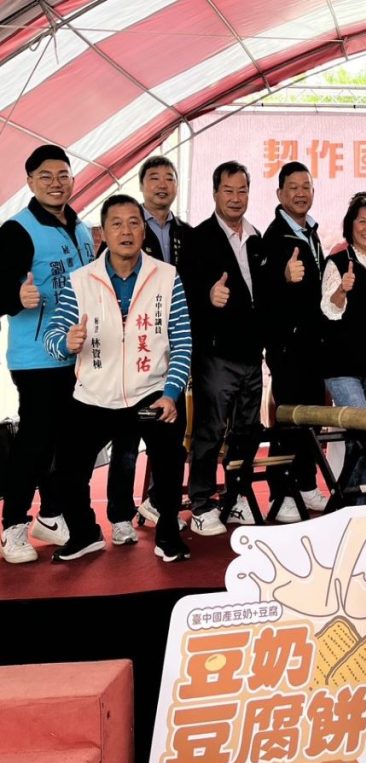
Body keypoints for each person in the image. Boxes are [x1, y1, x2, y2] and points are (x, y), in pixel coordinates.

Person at [44, 194, 192, 562]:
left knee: (170, 457)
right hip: (95, 397)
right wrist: (66, 343)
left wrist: (171, 393)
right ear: (104, 233)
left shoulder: (167, 276)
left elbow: (182, 341)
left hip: (148, 396)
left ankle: (168, 534)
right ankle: (85, 533)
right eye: (117, 224)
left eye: (134, 223)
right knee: (67, 468)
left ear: (144, 231)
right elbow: (53, 337)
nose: (126, 231)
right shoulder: (81, 281)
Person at [0, 144, 93, 564]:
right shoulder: (17, 230)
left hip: (79, 357)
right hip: (36, 359)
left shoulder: (82, 228)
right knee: (34, 444)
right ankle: (13, 526)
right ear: (30, 182)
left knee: (65, 444)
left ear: (72, 179)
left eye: (63, 175)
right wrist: (14, 297)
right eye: (46, 177)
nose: (56, 184)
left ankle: (52, 517)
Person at [177, 161, 263, 536]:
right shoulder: (199, 239)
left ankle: (237, 497)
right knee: (210, 431)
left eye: (242, 190)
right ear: (215, 193)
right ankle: (201, 503)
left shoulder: (257, 238)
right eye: (228, 190)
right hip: (215, 354)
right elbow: (182, 295)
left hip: (252, 354)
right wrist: (208, 297)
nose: (235, 198)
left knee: (247, 431)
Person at [111, 155, 192, 530]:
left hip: (171, 354)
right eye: (154, 178)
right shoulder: (126, 230)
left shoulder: (186, 233)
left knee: (171, 438)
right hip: (132, 356)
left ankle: (160, 504)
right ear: (142, 185)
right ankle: (120, 516)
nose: (162, 184)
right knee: (126, 440)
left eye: (169, 178)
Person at [258, 161, 331, 523]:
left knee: (311, 418)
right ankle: (281, 492)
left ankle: (305, 483)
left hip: (314, 346)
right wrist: (283, 277)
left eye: (306, 187)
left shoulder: (311, 233)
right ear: (280, 193)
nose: (301, 193)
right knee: (288, 419)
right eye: (294, 187)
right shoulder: (273, 237)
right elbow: (262, 290)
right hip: (288, 347)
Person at [321, 192, 366, 498]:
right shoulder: (338, 263)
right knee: (363, 431)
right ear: (350, 225)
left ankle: (362, 498)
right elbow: (329, 310)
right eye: (361, 221)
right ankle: (352, 500)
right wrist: (341, 290)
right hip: (342, 367)